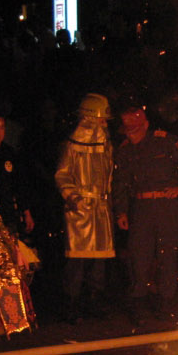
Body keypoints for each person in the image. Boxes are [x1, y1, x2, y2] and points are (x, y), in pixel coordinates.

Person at [113, 104, 178, 325]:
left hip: (167, 206)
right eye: (128, 130)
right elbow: (120, 183)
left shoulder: (164, 141)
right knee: (139, 257)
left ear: (145, 125)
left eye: (136, 130)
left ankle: (165, 304)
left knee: (168, 254)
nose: (132, 134)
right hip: (141, 208)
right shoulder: (125, 149)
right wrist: (121, 211)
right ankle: (139, 304)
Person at [55, 94, 115, 321]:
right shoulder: (72, 145)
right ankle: (71, 305)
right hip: (79, 210)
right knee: (77, 261)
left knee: (99, 261)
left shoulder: (106, 145)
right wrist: (73, 197)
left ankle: (93, 301)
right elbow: (61, 174)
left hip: (100, 207)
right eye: (103, 120)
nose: (105, 124)